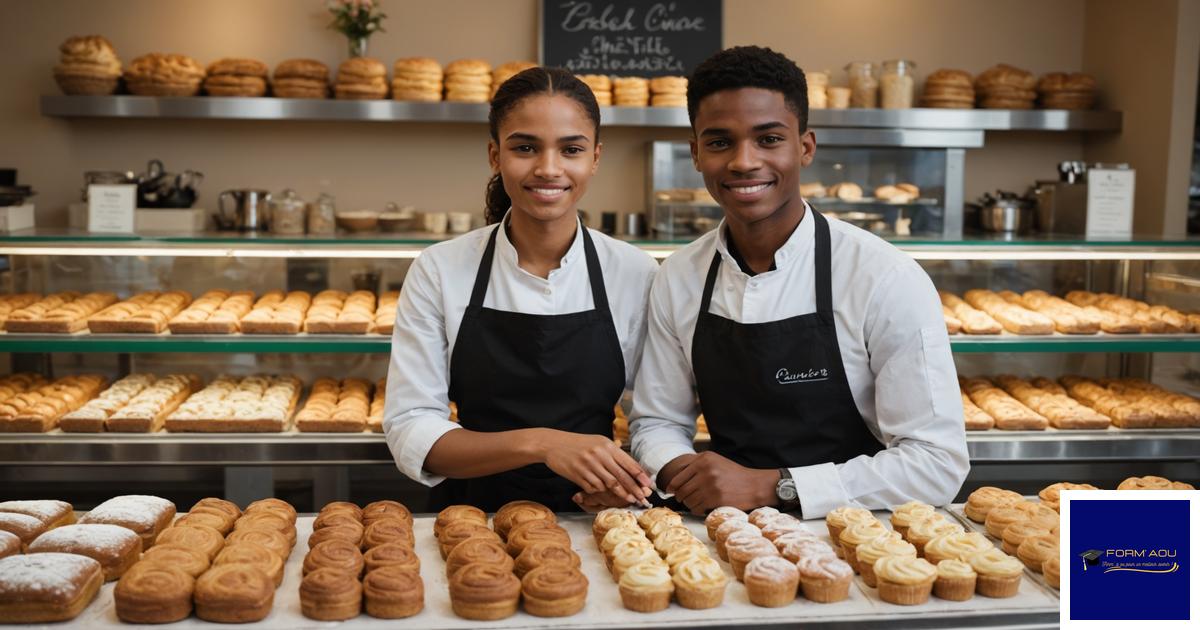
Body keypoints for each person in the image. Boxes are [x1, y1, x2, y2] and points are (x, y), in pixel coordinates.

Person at [579, 46, 968, 517]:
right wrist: (680, 469)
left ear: (804, 147)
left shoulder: (884, 277)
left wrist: (776, 487)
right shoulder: (680, 276)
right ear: (696, 153)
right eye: (720, 142)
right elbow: (658, 420)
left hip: (865, 537)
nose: (744, 161)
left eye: (768, 139)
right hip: (726, 533)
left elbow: (935, 463)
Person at [382, 67, 659, 512]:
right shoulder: (441, 269)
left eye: (571, 149)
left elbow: (654, 420)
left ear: (595, 157)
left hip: (598, 521)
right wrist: (542, 444)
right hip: (471, 522)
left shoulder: (634, 272)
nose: (548, 169)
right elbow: (411, 428)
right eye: (525, 147)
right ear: (495, 155)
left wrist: (626, 480)